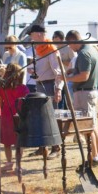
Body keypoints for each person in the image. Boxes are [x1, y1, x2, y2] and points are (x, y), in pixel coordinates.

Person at [64, 29, 98, 165]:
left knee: (86, 127)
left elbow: (84, 76)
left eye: (69, 44)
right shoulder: (92, 50)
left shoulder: (83, 54)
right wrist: (74, 71)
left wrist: (67, 77)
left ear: (73, 41)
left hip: (84, 93)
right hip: (90, 91)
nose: (69, 48)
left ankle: (94, 158)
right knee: (92, 126)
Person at [29, 24, 62, 158]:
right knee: (39, 118)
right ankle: (42, 147)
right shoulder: (37, 49)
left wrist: (58, 89)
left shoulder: (51, 49)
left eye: (32, 35)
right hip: (39, 85)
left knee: (51, 117)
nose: (31, 38)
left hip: (49, 86)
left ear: (38, 35)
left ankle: (56, 148)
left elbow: (59, 72)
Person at [0, 63, 29, 173]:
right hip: (18, 116)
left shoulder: (2, 88)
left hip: (6, 115)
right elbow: (26, 103)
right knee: (19, 142)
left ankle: (9, 162)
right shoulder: (23, 88)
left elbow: (0, 102)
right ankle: (18, 164)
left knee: (7, 142)